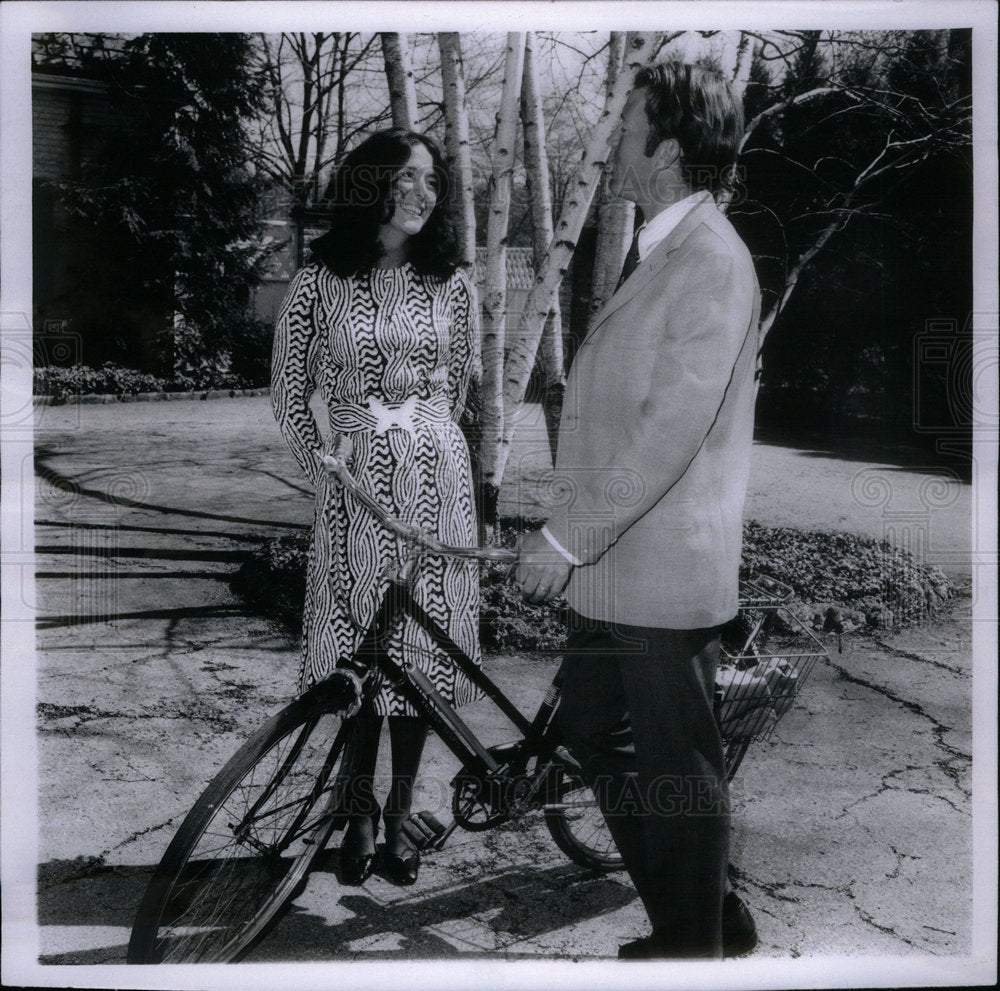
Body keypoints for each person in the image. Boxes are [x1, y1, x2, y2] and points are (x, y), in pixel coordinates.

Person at [515, 61, 761, 958]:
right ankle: (707, 913)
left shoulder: (712, 260)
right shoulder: (661, 246)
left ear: (665, 147)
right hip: (614, 567)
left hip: (656, 572)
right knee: (595, 730)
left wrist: (562, 539)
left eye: (627, 128)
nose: (613, 142)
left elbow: (666, 432)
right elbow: (612, 410)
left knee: (677, 769)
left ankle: (692, 948)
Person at [271, 128, 480, 888]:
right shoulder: (317, 281)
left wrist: (426, 445)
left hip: (437, 490)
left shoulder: (451, 283)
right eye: (408, 179)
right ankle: (353, 811)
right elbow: (288, 392)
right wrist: (326, 464)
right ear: (371, 187)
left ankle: (399, 813)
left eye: (434, 182)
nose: (425, 194)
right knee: (363, 655)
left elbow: (458, 387)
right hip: (354, 489)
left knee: (419, 656)